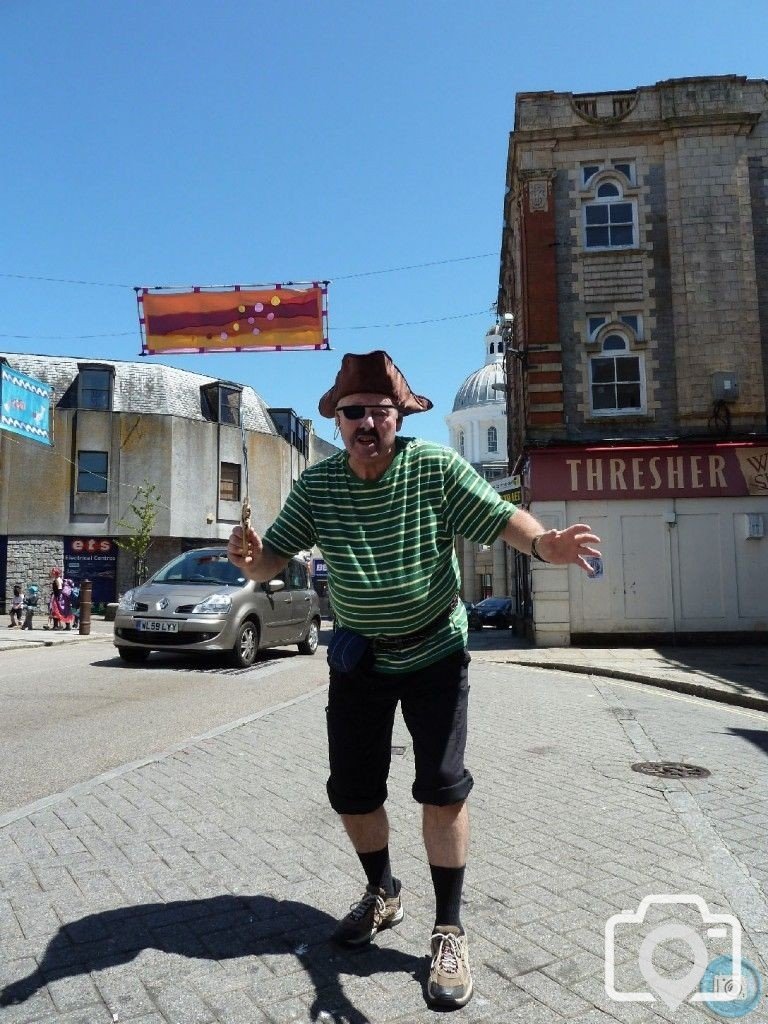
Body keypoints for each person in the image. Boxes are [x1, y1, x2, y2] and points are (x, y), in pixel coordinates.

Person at [227, 350, 600, 1009]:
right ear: (338, 423)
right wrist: (252, 561)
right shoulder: (318, 488)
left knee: (443, 791)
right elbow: (270, 560)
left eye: (379, 410)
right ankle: (383, 892)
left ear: (400, 417)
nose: (366, 421)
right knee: (352, 793)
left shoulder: (433, 468)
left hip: (435, 653)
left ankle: (449, 929)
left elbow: (497, 516)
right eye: (353, 412)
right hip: (361, 660)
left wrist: (545, 545)